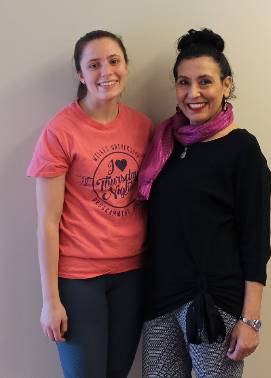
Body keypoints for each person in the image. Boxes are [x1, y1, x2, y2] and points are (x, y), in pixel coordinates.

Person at [138, 28, 271, 377]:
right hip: (161, 301)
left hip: (214, 303)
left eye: (205, 82)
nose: (192, 93)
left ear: (226, 85)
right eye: (183, 82)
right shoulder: (166, 144)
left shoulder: (243, 150)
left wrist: (251, 320)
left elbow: (255, 240)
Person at [27, 30, 152, 378]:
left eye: (114, 61)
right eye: (94, 64)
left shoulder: (142, 127)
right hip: (79, 280)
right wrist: (50, 301)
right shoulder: (60, 131)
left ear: (126, 66)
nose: (106, 72)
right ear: (81, 75)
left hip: (132, 276)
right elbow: (47, 223)